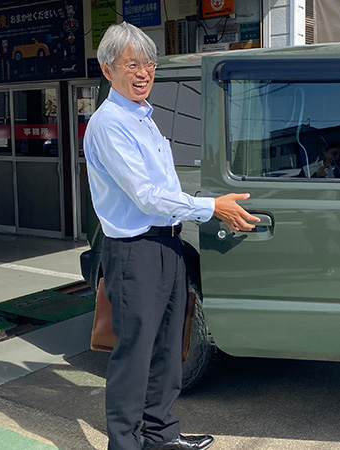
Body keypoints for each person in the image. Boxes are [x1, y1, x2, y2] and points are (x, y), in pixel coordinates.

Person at [83, 23, 259, 450]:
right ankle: (125, 443)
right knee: (134, 354)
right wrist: (211, 207)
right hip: (134, 250)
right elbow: (145, 195)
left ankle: (160, 435)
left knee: (167, 347)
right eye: (131, 64)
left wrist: (197, 210)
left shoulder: (144, 118)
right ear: (108, 70)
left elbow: (166, 188)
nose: (143, 72)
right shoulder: (110, 124)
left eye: (149, 63)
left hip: (168, 243)